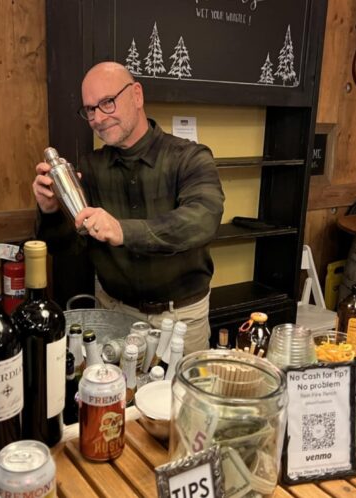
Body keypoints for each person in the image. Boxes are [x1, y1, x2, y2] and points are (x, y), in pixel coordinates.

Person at [32, 61, 224, 354]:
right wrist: (50, 210)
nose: (98, 117)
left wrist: (122, 230)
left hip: (181, 320)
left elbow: (203, 219)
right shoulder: (89, 167)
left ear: (136, 95)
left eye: (107, 102)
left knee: (178, 398)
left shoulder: (189, 158)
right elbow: (66, 247)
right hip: (113, 314)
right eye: (90, 109)